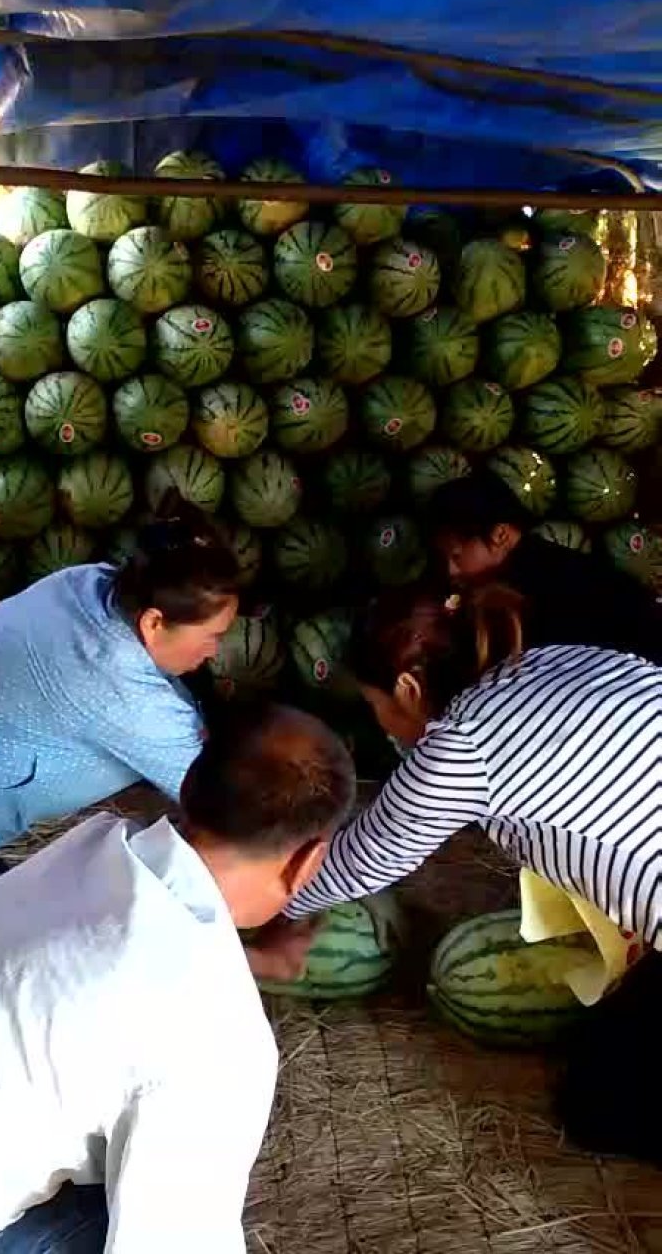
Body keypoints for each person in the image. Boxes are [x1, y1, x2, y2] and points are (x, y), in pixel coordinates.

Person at [0, 702, 355, 1254]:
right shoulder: (218, 1031)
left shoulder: (93, 850)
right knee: (107, 1212)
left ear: (188, 785)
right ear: (310, 861)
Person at [281, 584, 660, 1161]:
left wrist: (263, 906)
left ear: (407, 688)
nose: (380, 721)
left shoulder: (461, 746)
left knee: (596, 1108)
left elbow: (361, 862)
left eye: (374, 703)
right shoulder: (545, 658)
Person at [0, 506, 240, 903]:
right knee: (11, 935)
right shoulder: (117, 685)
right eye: (212, 635)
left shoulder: (86, 582)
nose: (215, 651)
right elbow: (222, 804)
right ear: (153, 623)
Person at [425, 468, 662, 664]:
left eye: (456, 556)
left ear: (500, 535)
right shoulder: (560, 566)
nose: (451, 571)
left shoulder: (532, 596)